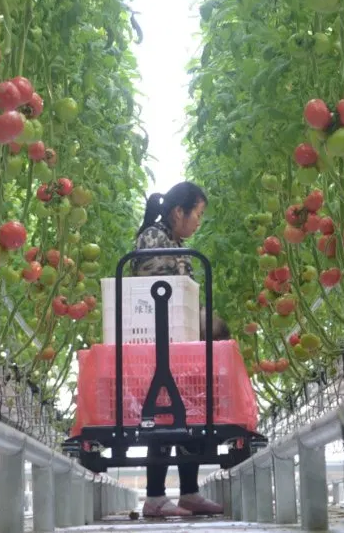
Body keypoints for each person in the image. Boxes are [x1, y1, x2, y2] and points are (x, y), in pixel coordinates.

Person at [132, 182, 226, 518]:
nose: (199, 222)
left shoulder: (173, 242)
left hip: (175, 345)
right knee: (165, 415)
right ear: (178, 212)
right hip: (159, 345)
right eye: (197, 214)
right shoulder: (155, 240)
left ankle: (188, 492)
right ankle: (156, 496)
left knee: (188, 413)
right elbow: (161, 298)